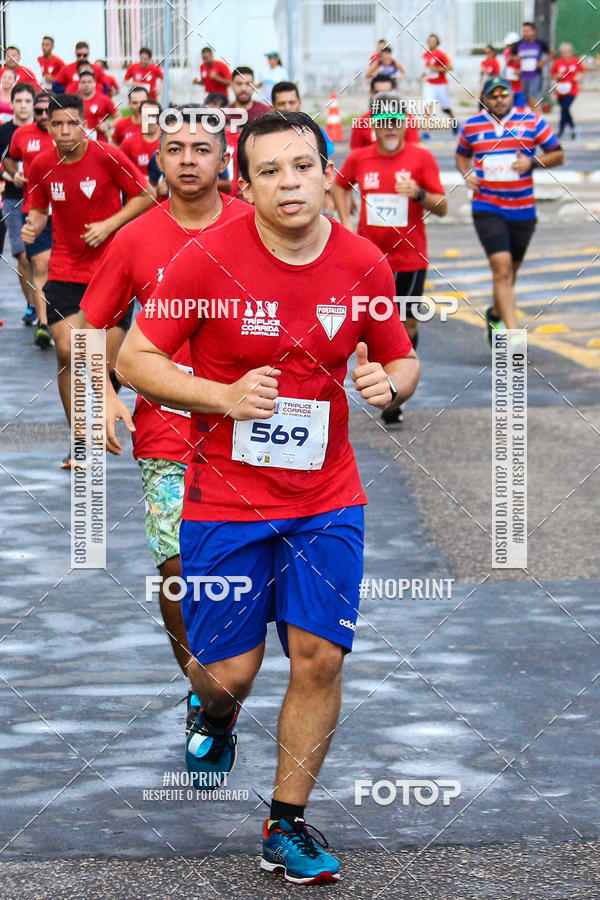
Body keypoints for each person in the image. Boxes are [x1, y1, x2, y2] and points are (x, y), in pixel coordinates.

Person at [116, 109, 419, 886]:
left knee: (319, 657)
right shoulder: (205, 259)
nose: (289, 182)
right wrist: (219, 394)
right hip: (226, 499)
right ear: (244, 185)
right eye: (270, 171)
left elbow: (400, 357)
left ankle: (285, 825)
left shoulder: (365, 265)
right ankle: (210, 713)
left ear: (326, 172)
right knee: (232, 674)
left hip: (327, 498)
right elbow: (137, 357)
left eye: (302, 165)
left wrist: (391, 385)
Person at [80, 106, 248, 731]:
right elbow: (89, 325)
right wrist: (104, 394)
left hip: (251, 426)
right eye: (174, 148)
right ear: (158, 159)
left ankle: (227, 675)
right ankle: (202, 694)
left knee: (241, 568)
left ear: (223, 158)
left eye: (201, 149)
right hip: (166, 426)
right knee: (175, 566)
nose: (187, 160)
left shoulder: (254, 223)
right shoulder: (136, 237)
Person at [22, 93, 153, 464]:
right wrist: (32, 229)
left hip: (112, 268)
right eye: (57, 124)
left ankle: (104, 410)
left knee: (107, 366)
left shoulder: (108, 155)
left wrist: (109, 224)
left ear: (85, 124)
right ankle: (78, 440)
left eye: (72, 123)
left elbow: (145, 193)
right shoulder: (41, 165)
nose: (65, 131)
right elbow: (39, 212)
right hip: (65, 270)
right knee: (68, 351)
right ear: (48, 127)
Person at [333, 91, 446, 424]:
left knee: (406, 323)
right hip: (371, 259)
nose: (390, 129)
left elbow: (443, 207)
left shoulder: (421, 158)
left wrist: (420, 194)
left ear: (405, 124)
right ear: (373, 126)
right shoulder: (360, 158)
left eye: (396, 122)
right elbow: (340, 185)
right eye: (383, 123)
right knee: (376, 323)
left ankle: (399, 383)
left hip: (410, 258)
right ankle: (384, 384)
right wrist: (346, 223)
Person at [455, 76, 564, 341]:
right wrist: (466, 173)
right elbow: (461, 154)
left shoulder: (531, 121)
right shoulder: (472, 126)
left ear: (511, 96)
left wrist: (532, 163)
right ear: (485, 99)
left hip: (523, 210)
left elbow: (558, 154)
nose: (500, 99)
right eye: (494, 95)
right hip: (487, 206)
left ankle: (494, 313)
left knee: (509, 273)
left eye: (504, 94)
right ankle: (514, 336)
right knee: (501, 268)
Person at [5, 91, 55, 347]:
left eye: (48, 111)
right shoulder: (21, 134)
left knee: (65, 268)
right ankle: (44, 324)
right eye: (39, 112)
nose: (44, 116)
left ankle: (64, 317)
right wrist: (15, 174)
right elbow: (8, 159)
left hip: (69, 211)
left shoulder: (66, 133)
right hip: (34, 208)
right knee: (38, 264)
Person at [0, 82, 36, 324]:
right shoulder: (3, 132)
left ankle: (46, 307)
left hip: (42, 202)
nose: (23, 106)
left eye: (27, 101)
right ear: (12, 104)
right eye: (19, 101)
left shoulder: (43, 129)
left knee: (41, 257)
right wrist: (12, 176)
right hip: (13, 199)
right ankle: (31, 305)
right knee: (23, 256)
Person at [349, 74, 419, 150]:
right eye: (378, 92)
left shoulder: (407, 119)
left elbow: (414, 151)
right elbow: (355, 155)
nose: (383, 97)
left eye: (387, 92)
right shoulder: (361, 123)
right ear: (371, 93)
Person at [511, 22, 549, 109]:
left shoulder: (540, 43)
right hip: (523, 75)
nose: (525, 33)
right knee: (525, 100)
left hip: (535, 75)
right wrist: (515, 59)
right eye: (524, 31)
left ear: (534, 31)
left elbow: (550, 53)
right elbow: (511, 57)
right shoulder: (518, 44)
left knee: (533, 99)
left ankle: (536, 119)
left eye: (528, 31)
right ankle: (529, 118)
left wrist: (542, 62)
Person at [550, 43, 585, 140]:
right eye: (562, 53)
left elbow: (583, 70)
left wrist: (578, 77)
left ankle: (561, 130)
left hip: (572, 89)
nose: (564, 55)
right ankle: (573, 127)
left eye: (566, 52)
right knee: (565, 109)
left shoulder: (575, 61)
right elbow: (552, 74)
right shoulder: (558, 62)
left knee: (565, 108)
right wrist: (556, 76)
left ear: (570, 52)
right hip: (561, 89)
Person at [120, 99, 161, 176]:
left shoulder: (170, 140)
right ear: (140, 116)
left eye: (154, 115)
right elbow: (120, 172)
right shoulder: (128, 143)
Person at [77, 68, 119, 141]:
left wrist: (108, 125)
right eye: (83, 82)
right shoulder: (75, 101)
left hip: (100, 141)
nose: (86, 85)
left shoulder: (104, 100)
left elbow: (119, 117)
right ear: (79, 84)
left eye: (89, 82)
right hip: (79, 142)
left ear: (94, 83)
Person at [502, 32, 526, 108]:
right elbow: (507, 64)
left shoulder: (521, 52)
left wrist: (519, 72)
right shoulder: (507, 52)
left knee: (520, 108)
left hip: (519, 87)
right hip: (509, 85)